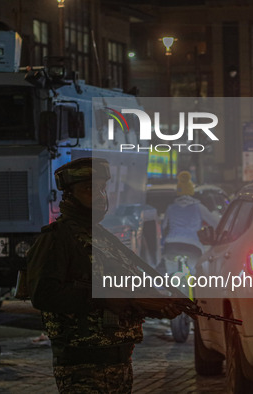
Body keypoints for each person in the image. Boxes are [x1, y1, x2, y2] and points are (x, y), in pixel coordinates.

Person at [26, 157, 180, 393]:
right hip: (83, 366)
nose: (99, 195)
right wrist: (102, 297)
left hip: (118, 362)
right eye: (88, 189)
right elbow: (43, 293)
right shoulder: (58, 238)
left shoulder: (104, 239)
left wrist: (156, 306)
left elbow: (127, 292)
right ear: (69, 195)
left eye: (101, 188)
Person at [161, 171, 219, 275]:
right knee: (195, 274)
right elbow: (215, 223)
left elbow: (164, 226)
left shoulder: (171, 208)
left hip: (171, 245)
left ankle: (171, 288)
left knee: (170, 274)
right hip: (193, 246)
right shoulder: (198, 207)